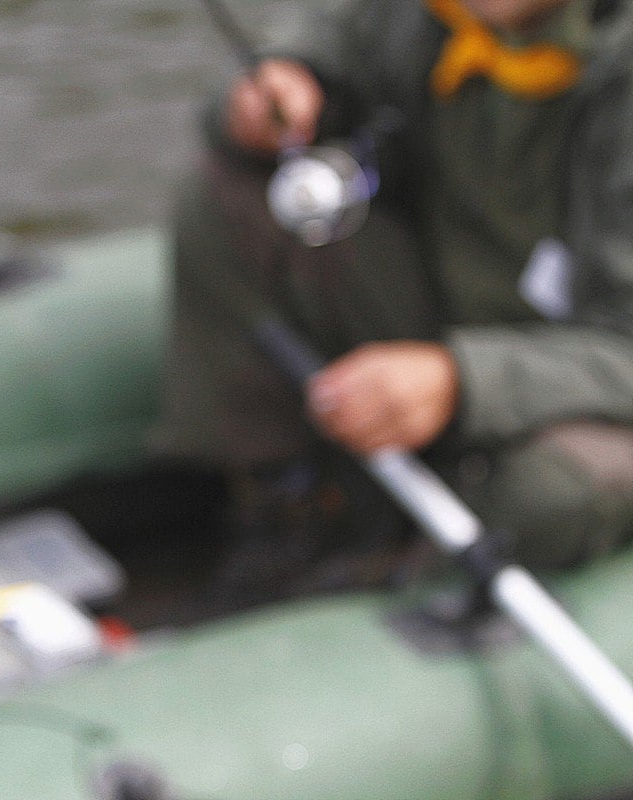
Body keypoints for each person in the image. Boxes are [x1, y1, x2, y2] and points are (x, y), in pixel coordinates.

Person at [158, 0, 633, 580]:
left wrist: (462, 380)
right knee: (233, 200)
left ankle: (412, 589)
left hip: (596, 379)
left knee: (549, 491)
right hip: (459, 306)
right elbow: (333, 31)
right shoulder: (434, 14)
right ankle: (289, 506)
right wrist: (286, 83)